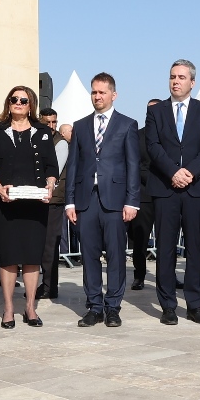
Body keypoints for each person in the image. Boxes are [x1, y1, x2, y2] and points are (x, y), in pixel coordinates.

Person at [143, 60, 200, 324]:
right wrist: (173, 172)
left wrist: (190, 172)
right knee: (165, 249)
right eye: (172, 77)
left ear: (192, 82)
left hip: (196, 189)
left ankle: (195, 304)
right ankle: (168, 306)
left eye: (181, 77)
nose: (176, 81)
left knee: (196, 248)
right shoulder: (156, 112)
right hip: (165, 187)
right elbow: (152, 145)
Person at [63, 73, 139, 327]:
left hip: (116, 201)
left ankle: (113, 306)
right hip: (86, 200)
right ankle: (94, 306)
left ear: (113, 95)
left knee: (116, 255)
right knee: (89, 254)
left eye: (102, 92)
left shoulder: (127, 125)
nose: (97, 96)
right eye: (94, 92)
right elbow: (72, 165)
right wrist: (70, 201)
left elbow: (133, 166)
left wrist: (132, 201)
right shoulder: (81, 125)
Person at [0, 84, 57, 327]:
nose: (18, 103)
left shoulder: (43, 131)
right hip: (5, 201)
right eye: (14, 99)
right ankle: (9, 309)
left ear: (30, 104)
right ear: (8, 102)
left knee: (32, 256)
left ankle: (30, 308)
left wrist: (50, 186)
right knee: (9, 256)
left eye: (23, 100)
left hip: (35, 203)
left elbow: (51, 168)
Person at [129, 100, 160, 290]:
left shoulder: (169, 135)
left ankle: (169, 276)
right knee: (140, 239)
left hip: (166, 195)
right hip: (144, 195)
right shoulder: (137, 136)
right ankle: (139, 275)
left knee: (168, 240)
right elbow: (135, 165)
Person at [37, 106, 66, 301]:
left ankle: (49, 286)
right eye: (47, 122)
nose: (51, 126)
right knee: (42, 245)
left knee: (49, 245)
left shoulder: (60, 142)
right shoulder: (39, 138)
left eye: (54, 122)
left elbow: (54, 171)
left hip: (53, 199)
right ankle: (44, 284)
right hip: (38, 198)